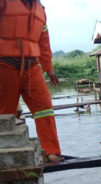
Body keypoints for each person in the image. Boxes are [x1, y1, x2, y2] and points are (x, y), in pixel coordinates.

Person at [0, 0, 62, 162]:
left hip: (32, 66)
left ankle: (51, 151)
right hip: (4, 65)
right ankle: (6, 151)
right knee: (5, 113)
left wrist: (49, 69)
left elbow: (44, 42)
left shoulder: (40, 9)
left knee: (45, 108)